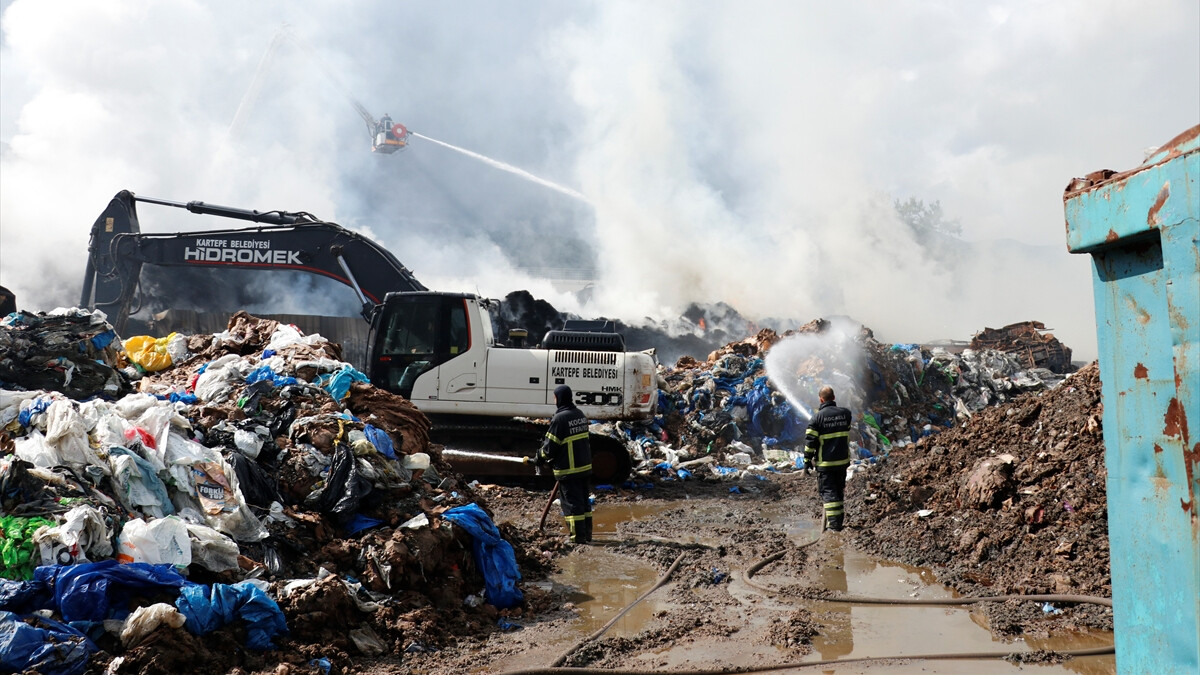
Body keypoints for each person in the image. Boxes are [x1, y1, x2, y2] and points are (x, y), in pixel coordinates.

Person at [537, 384, 593, 544]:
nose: (554, 400)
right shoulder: (579, 414)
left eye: (555, 397)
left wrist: (538, 457)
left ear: (560, 398)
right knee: (584, 504)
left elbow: (549, 448)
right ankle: (588, 535)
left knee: (572, 506)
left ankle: (577, 539)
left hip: (570, 470)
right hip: (584, 468)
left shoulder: (560, 419)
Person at [805, 385, 852, 531]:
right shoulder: (846, 414)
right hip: (842, 462)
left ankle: (834, 526)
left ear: (821, 399)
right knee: (838, 491)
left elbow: (810, 442)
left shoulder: (816, 418)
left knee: (828, 493)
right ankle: (839, 521)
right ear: (834, 398)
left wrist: (807, 461)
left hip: (826, 463)